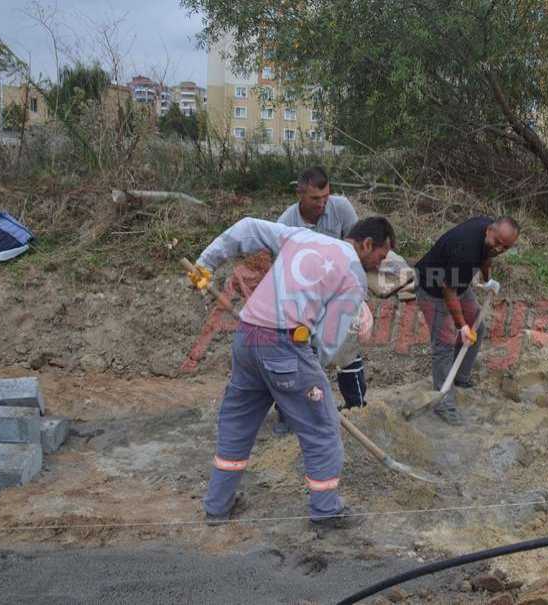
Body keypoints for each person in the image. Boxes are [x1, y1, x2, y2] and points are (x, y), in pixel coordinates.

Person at [186, 215, 395, 528]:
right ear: (367, 244)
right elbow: (328, 341)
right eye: (381, 255)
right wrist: (309, 378)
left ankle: (217, 506)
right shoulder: (353, 273)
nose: (380, 264)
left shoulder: (301, 236)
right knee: (322, 428)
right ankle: (326, 512)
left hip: (248, 335)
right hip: (286, 345)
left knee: (237, 423)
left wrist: (206, 263)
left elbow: (247, 227)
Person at [275, 167, 367, 430]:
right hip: (301, 297)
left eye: (326, 197)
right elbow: (282, 271)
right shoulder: (286, 223)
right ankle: (289, 414)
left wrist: (358, 299)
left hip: (338, 292)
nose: (322, 203)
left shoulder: (341, 209)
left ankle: (356, 408)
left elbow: (357, 253)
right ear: (300, 194)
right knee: (298, 355)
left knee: (347, 349)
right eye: (315, 199)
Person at [414, 216, 520, 426]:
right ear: (489, 231)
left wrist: (487, 280)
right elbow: (448, 291)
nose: (500, 249)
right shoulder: (465, 250)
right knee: (444, 344)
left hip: (456, 283)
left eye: (506, 247)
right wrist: (461, 326)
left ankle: (460, 377)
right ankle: (444, 403)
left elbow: (487, 255)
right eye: (498, 243)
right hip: (432, 287)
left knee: (477, 328)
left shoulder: (489, 235)